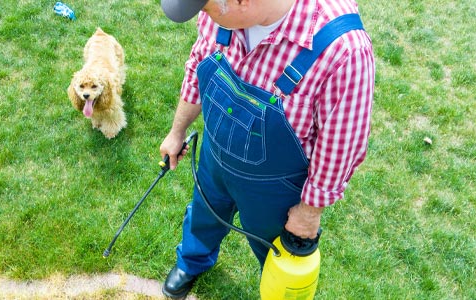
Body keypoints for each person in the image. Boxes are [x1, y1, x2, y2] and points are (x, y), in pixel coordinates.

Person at [157, 0, 375, 298]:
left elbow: (341, 144)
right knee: (204, 215)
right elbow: (199, 62)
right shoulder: (220, 13)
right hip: (215, 155)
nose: (204, 16)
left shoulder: (343, 49)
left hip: (275, 188)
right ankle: (192, 261)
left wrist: (308, 213)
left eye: (207, 9)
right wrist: (176, 131)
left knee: (274, 253)